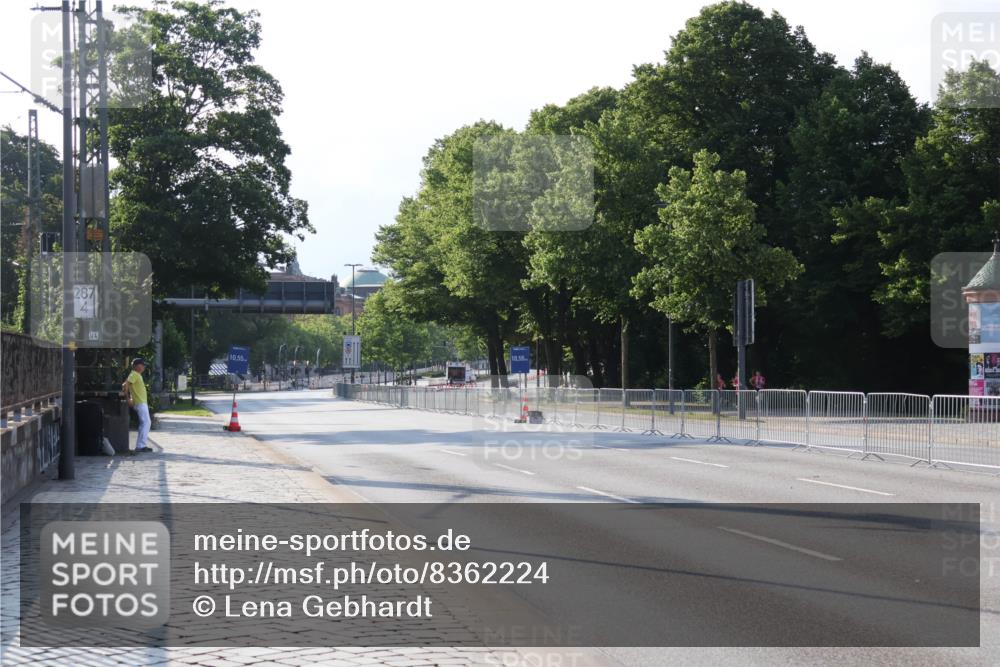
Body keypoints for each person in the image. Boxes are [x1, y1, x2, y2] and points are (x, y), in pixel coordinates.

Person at [122, 357, 152, 453]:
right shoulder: (134, 374)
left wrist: (130, 398)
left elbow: (125, 384)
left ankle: (141, 445)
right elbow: (125, 385)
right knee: (146, 423)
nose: (143, 367)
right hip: (140, 402)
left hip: (141, 402)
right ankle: (141, 446)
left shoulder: (136, 375)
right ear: (136, 366)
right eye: (142, 365)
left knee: (145, 423)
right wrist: (128, 399)